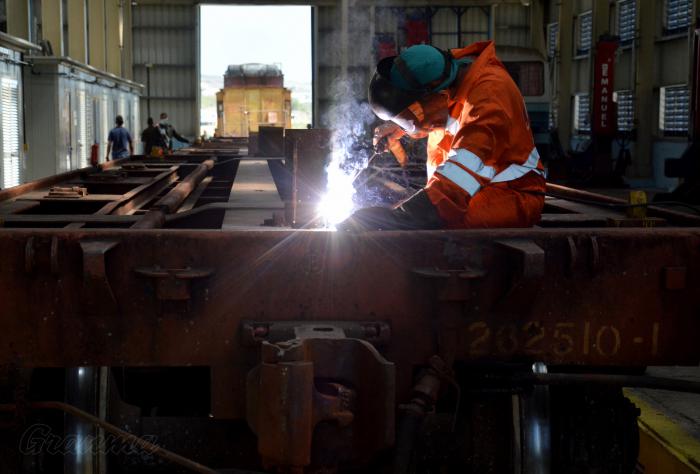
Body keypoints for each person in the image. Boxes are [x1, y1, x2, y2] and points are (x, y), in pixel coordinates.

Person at [339, 41, 546, 231]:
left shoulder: (490, 98)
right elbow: (444, 119)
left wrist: (402, 216)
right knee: (428, 215)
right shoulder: (453, 76)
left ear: (438, 94)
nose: (414, 128)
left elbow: (460, 175)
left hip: (512, 193)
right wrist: (401, 127)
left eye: (410, 119)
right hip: (479, 187)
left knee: (443, 223)